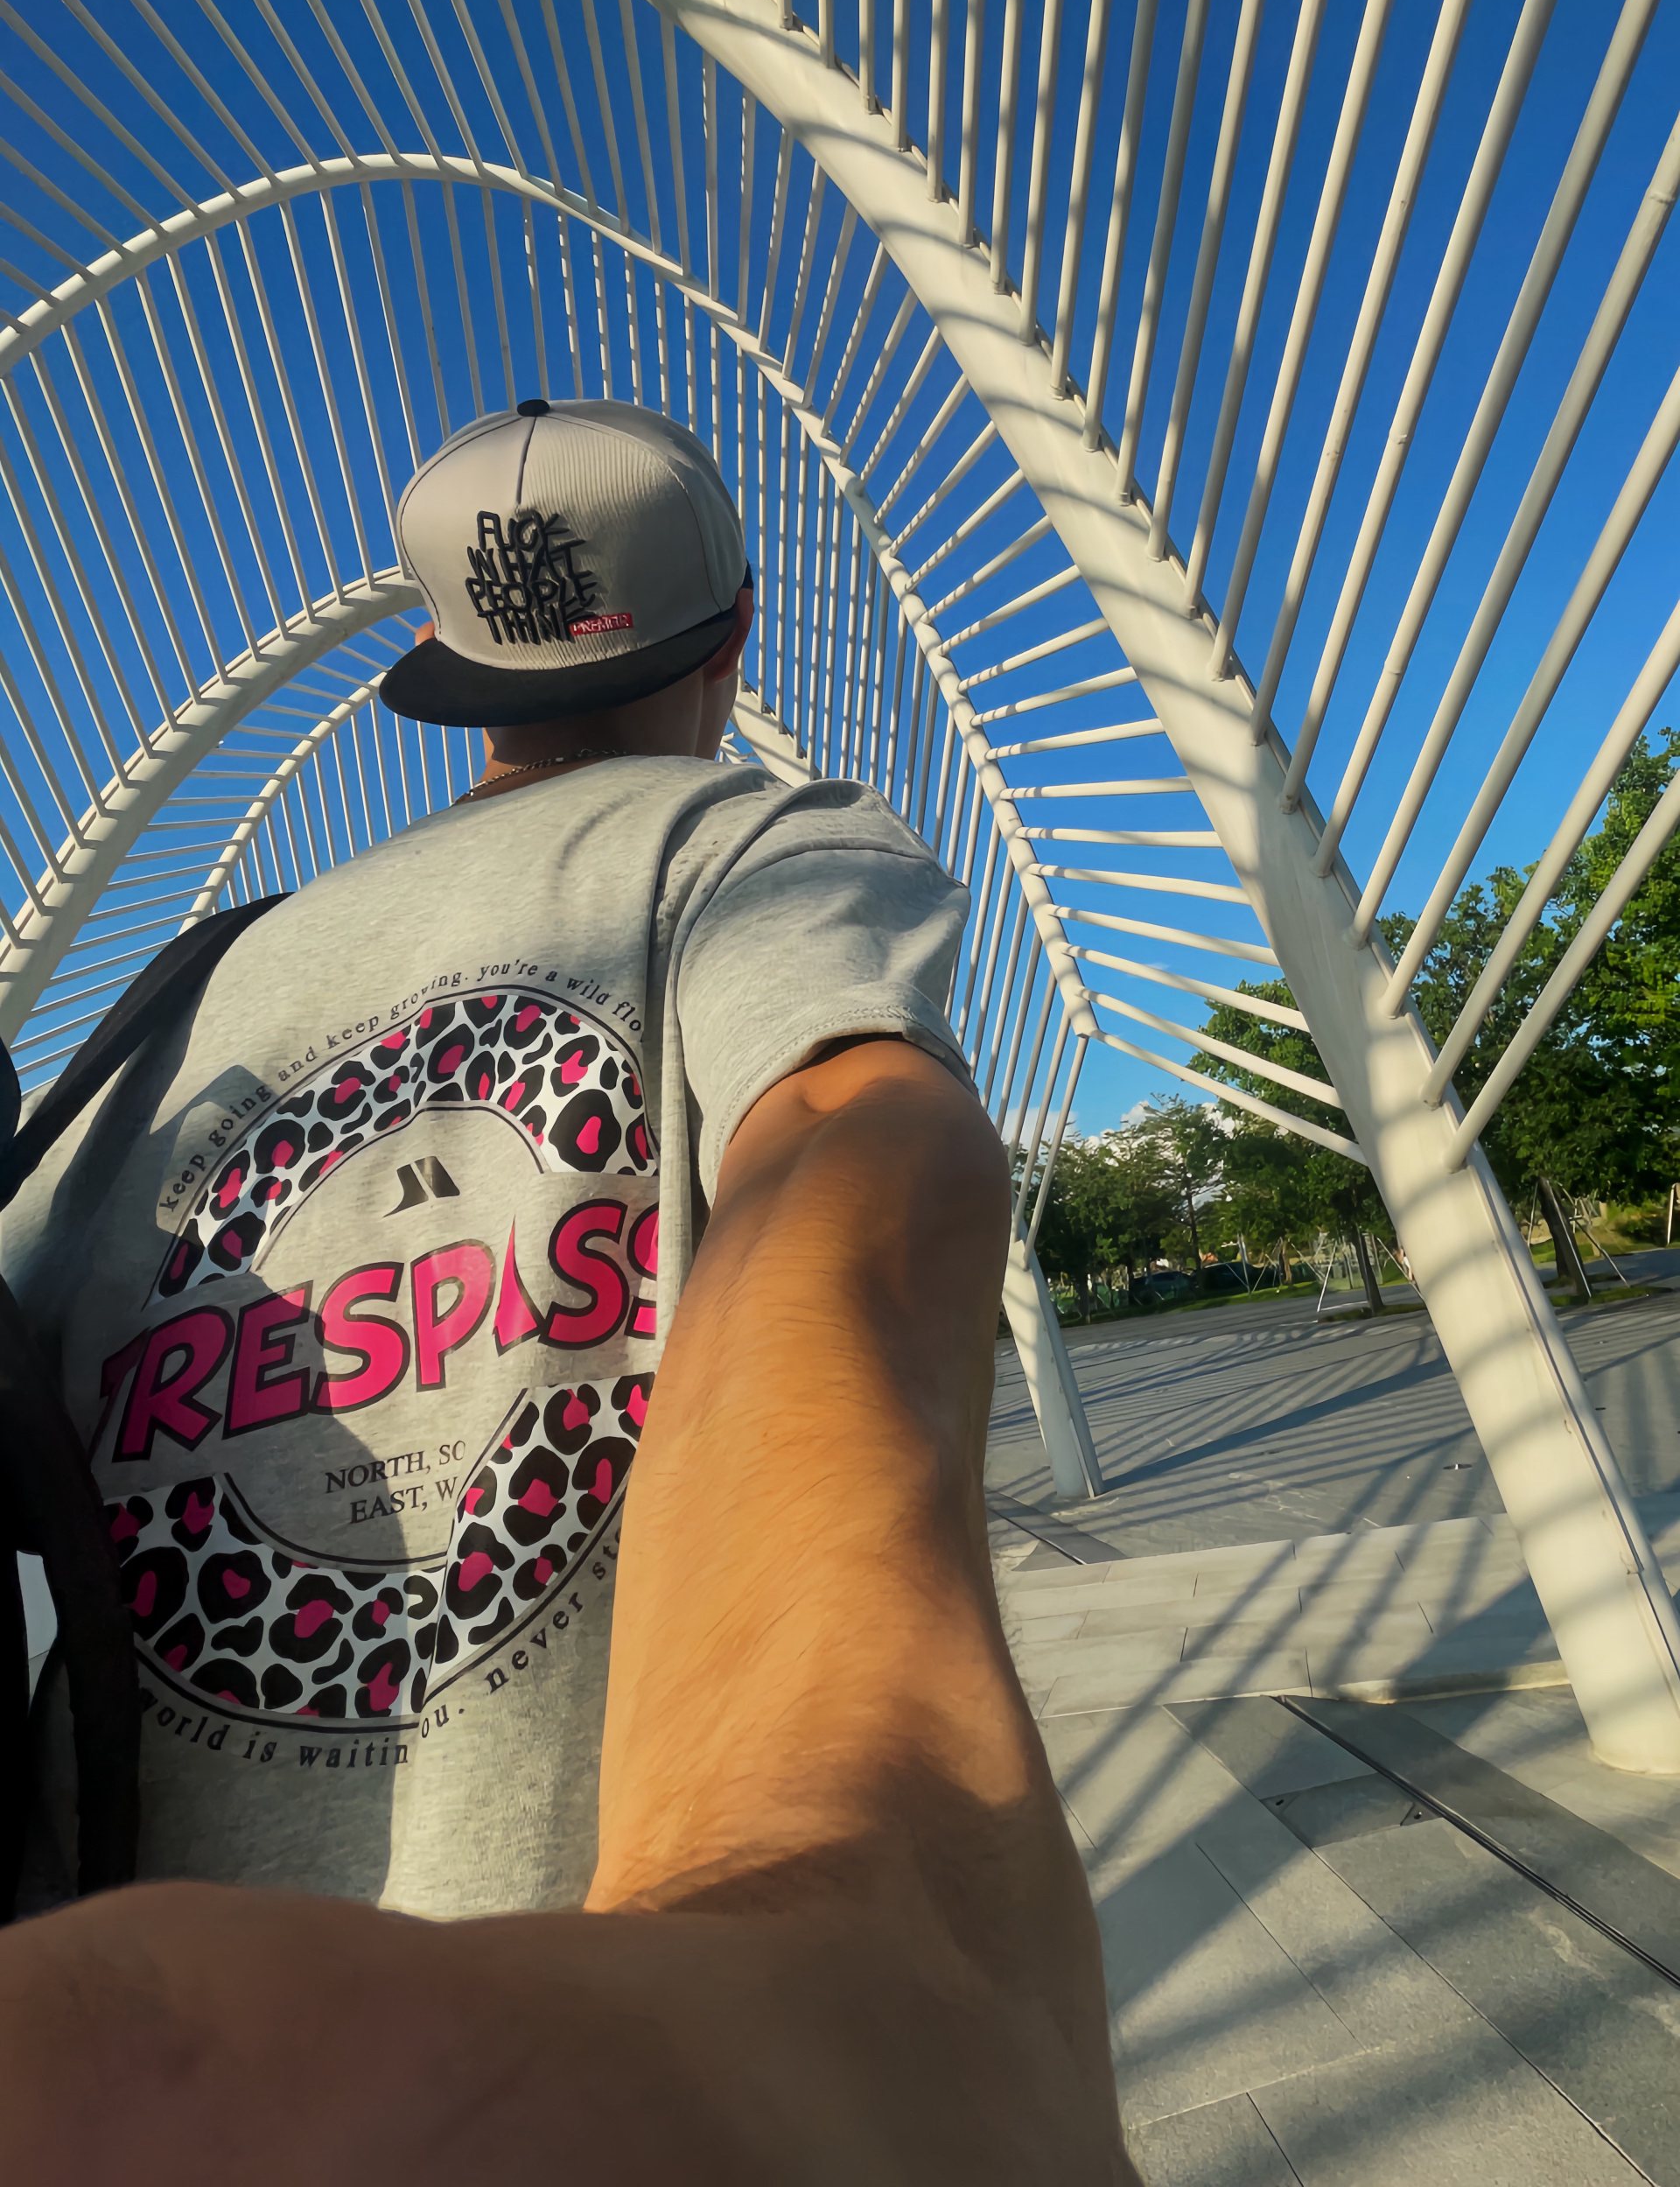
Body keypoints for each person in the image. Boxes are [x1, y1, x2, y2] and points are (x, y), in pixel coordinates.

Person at [0, 399, 1129, 2180]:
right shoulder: (753, 846)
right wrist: (833, 1869)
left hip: (119, 2057)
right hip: (658, 2042)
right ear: (732, 637)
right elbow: (848, 1137)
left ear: (449, 669)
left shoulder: (183, 1002)